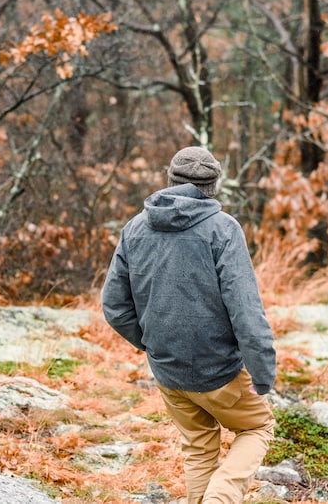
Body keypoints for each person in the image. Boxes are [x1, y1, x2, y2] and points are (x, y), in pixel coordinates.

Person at [100, 146, 276, 504]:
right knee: (258, 427)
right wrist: (263, 373)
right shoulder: (223, 229)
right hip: (220, 372)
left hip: (169, 373)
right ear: (212, 186)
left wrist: (153, 344)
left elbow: (114, 306)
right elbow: (245, 310)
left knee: (198, 450)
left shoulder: (135, 228)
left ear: (170, 180)